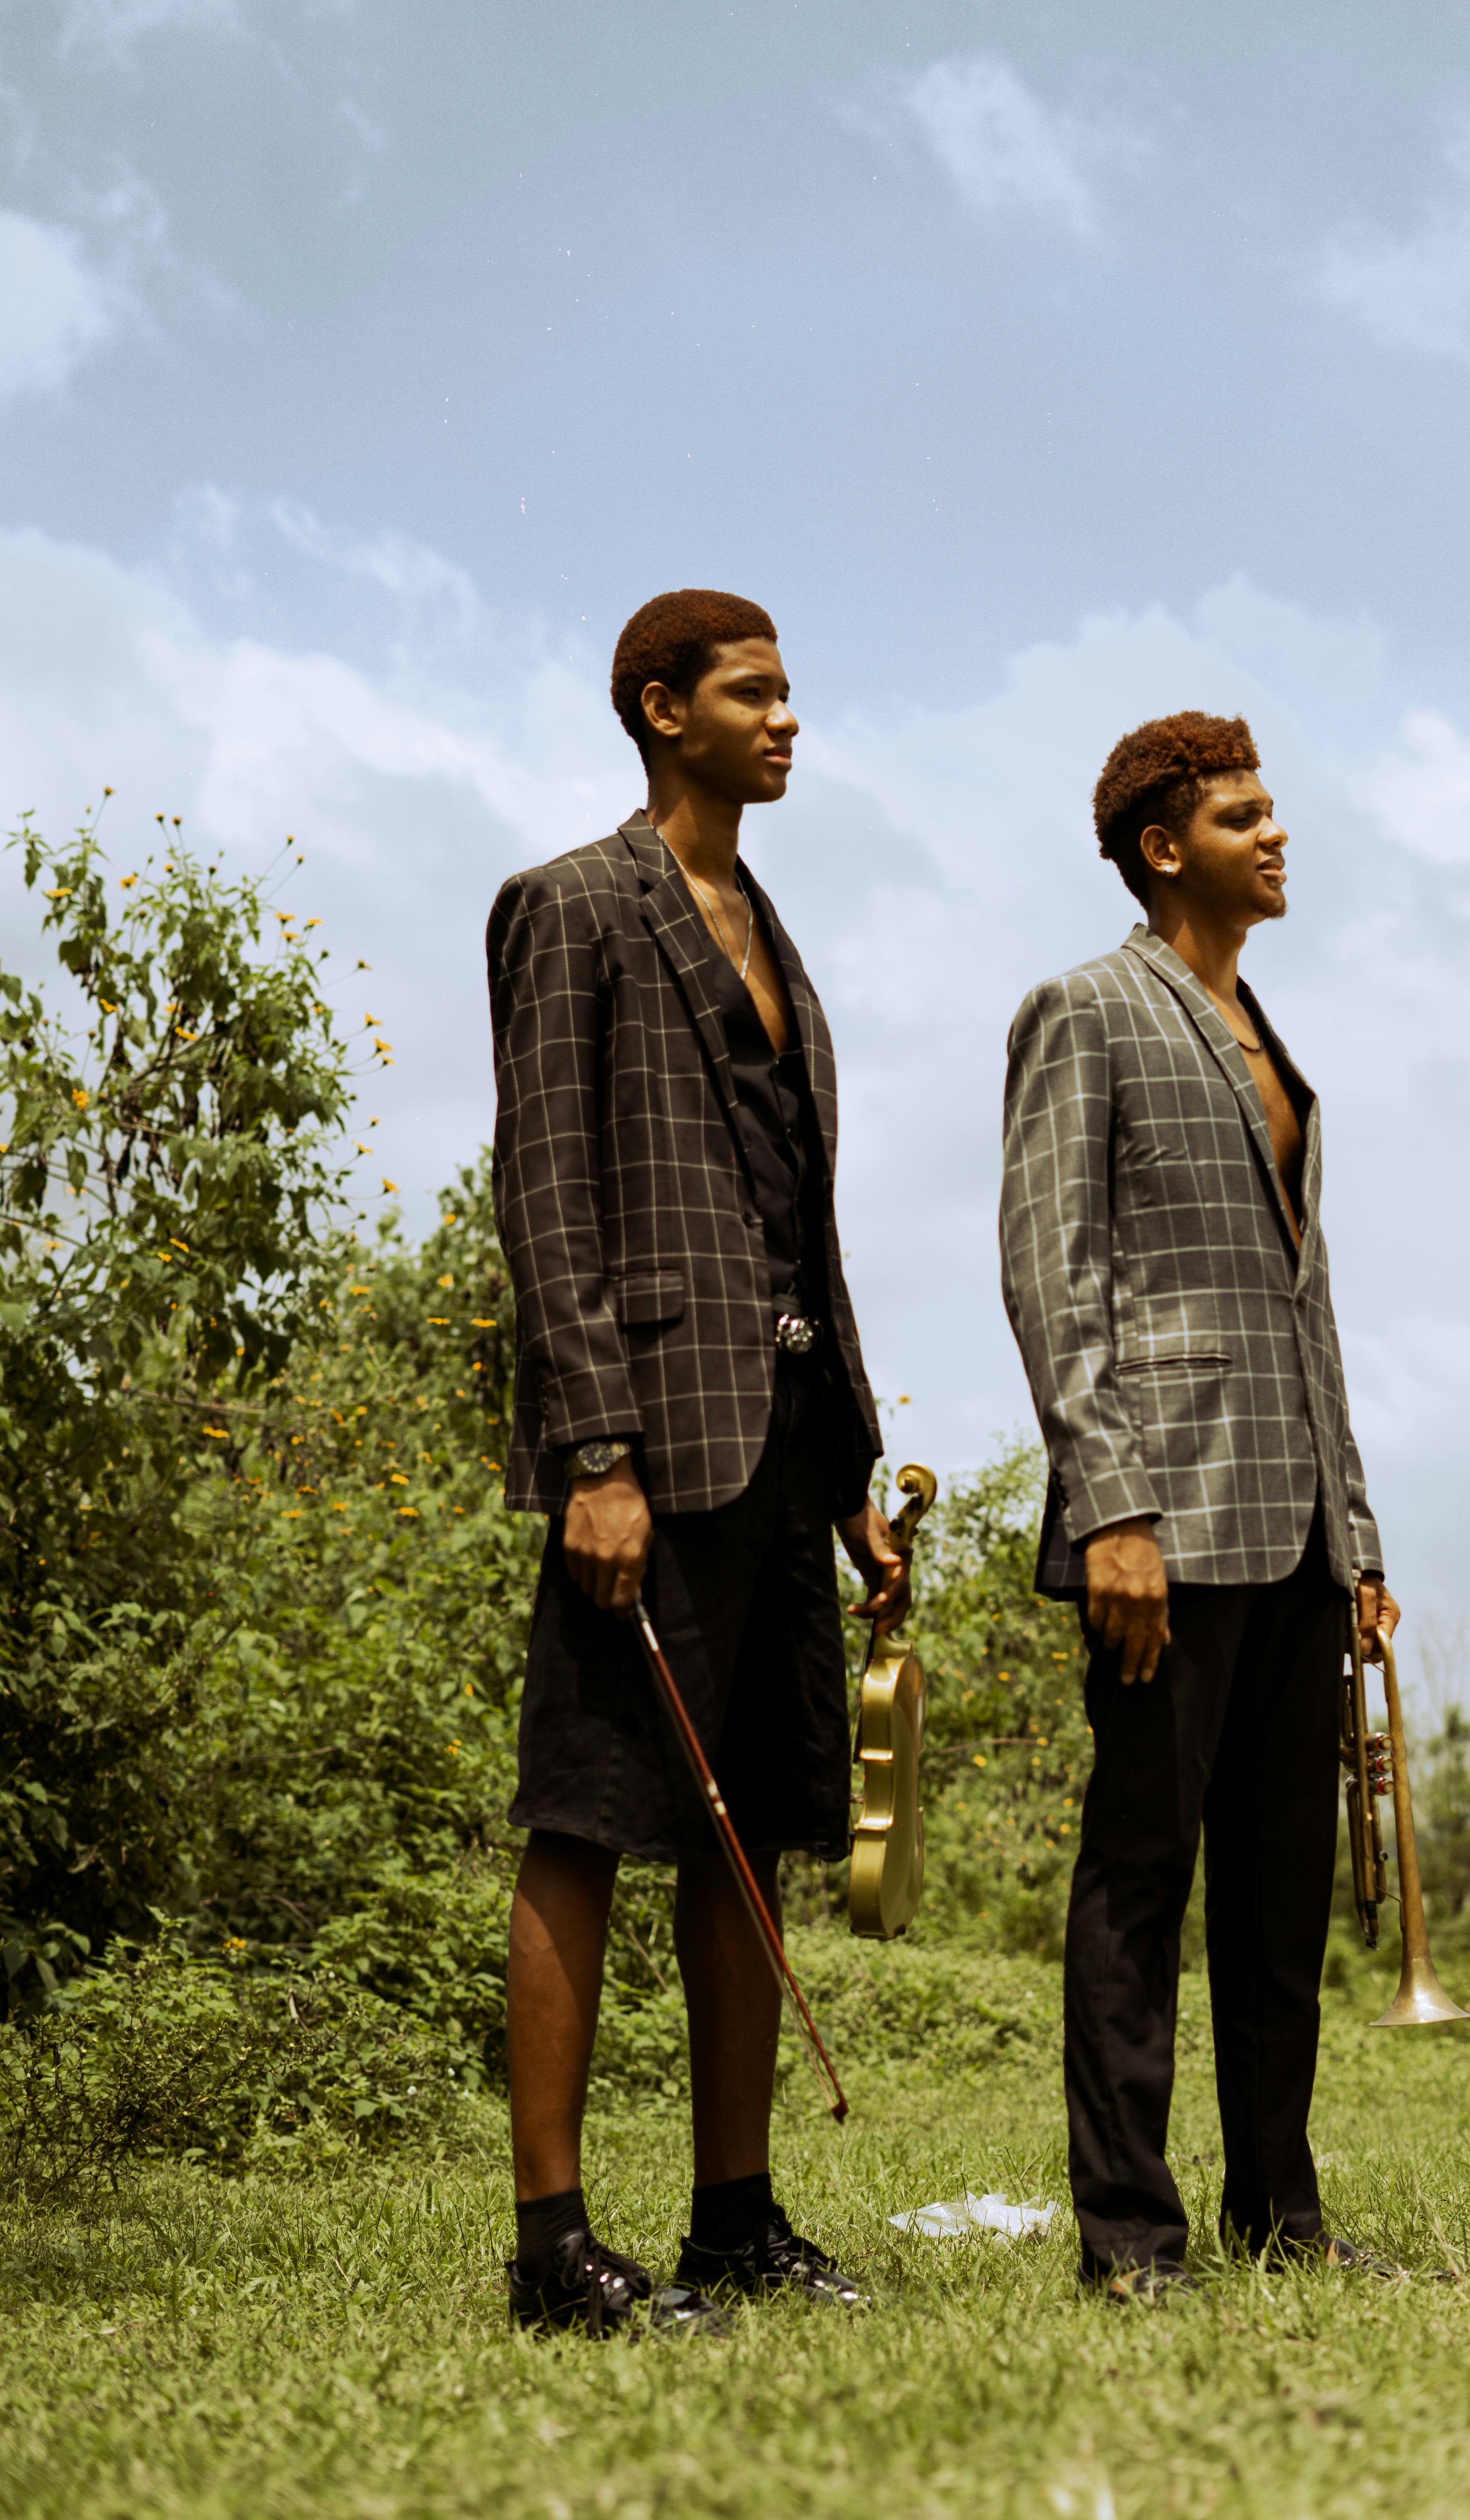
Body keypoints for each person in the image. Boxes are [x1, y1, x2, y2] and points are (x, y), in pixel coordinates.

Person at [487, 587, 907, 2338]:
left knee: (755, 1848)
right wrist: (593, 1449)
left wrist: (857, 1471)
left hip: (784, 1453)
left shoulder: (776, 930)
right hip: (643, 1453)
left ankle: (735, 2221)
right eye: (755, 694)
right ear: (664, 712)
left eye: (791, 691)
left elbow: (804, 1221)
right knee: (587, 1826)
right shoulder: (570, 905)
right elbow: (548, 1190)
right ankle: (552, 2249)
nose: (788, 719)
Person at [999, 710, 1401, 2301]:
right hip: (1160, 1523)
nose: (1278, 834)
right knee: (1141, 1880)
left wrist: (1357, 1538)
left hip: (1297, 1532)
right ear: (1168, 847)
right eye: (1246, 816)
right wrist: (1111, 1511)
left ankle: (1281, 2217)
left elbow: (1311, 1311)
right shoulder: (1084, 1011)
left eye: (1272, 810)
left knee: (1280, 1898)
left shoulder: (1271, 1039)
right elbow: (1052, 1272)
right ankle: (1130, 2238)